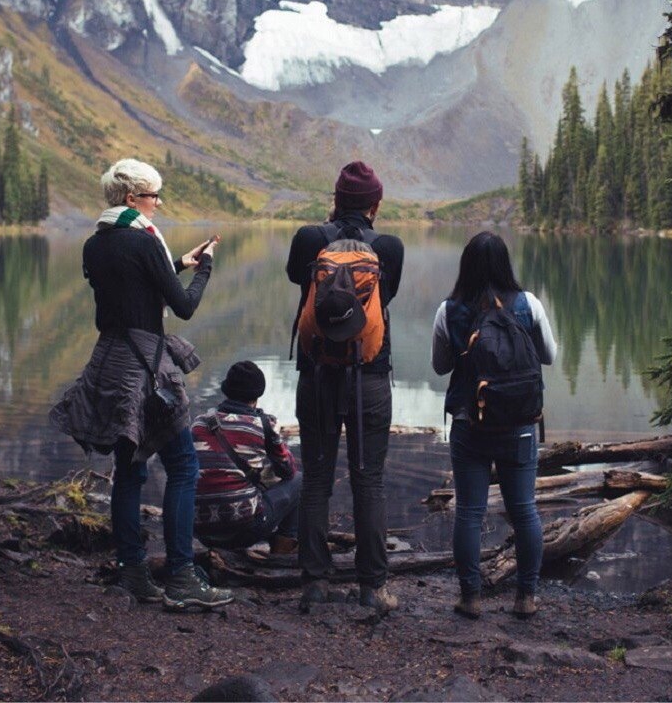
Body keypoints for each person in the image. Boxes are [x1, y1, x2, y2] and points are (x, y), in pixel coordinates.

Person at [49, 158, 233, 611]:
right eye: (153, 196)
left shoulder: (95, 243)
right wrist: (204, 268)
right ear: (132, 199)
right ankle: (182, 577)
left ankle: (131, 571)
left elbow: (130, 286)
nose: (158, 203)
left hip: (109, 361)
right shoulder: (144, 242)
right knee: (184, 467)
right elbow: (184, 307)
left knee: (129, 470)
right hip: (147, 368)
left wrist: (175, 263)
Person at [286, 160, 404, 613]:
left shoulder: (309, 239)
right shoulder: (389, 247)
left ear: (335, 199)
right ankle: (372, 587)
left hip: (316, 374)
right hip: (369, 374)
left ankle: (314, 584)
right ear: (375, 204)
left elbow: (298, 278)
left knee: (316, 478)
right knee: (368, 480)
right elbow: (385, 298)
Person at [431, 231, 557, 620]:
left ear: (465, 265)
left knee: (469, 511)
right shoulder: (528, 305)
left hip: (471, 425)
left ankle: (470, 598)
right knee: (524, 510)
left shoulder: (449, 310)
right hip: (518, 425)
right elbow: (549, 356)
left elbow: (440, 367)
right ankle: (526, 598)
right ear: (506, 264)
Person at [192, 361, 301, 553]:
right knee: (299, 480)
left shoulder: (199, 423)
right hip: (245, 531)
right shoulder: (263, 424)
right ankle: (283, 550)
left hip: (200, 531)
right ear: (257, 395)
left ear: (226, 391)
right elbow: (287, 470)